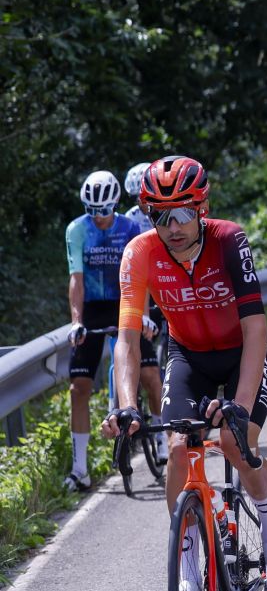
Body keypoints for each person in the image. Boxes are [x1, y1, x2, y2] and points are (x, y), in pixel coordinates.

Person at [104, 156, 267, 591]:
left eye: (185, 212)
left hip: (241, 351)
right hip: (188, 353)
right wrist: (128, 405)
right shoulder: (140, 253)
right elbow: (127, 340)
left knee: (233, 440)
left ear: (203, 208)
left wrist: (240, 407)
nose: (174, 226)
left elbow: (256, 328)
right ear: (148, 215)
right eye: (161, 215)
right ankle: (189, 555)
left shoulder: (230, 240)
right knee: (177, 447)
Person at [63, 171, 155, 490]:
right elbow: (76, 278)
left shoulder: (130, 228)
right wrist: (77, 320)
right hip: (92, 307)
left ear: (115, 205)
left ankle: (151, 430)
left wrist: (143, 315)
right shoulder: (76, 230)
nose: (98, 218)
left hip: (125, 300)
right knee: (79, 387)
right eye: (92, 210)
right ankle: (80, 468)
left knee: (145, 372)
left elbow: (141, 275)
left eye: (104, 211)